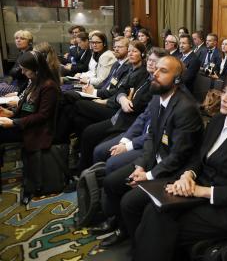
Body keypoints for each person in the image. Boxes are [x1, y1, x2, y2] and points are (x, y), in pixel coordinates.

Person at [128, 73, 227, 260]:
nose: (225, 99)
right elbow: (199, 156)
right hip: (198, 190)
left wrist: (202, 191)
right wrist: (188, 175)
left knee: (162, 224)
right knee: (153, 211)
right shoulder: (218, 120)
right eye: (224, 92)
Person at [90, 55, 203, 248]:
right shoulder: (157, 98)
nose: (154, 74)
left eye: (163, 71)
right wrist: (141, 165)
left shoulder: (186, 108)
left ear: (176, 80)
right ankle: (122, 228)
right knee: (111, 182)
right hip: (156, 161)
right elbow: (152, 138)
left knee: (128, 201)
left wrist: (149, 175)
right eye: (155, 69)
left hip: (175, 171)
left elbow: (179, 156)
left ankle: (139, 245)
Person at [74, 41, 151, 172]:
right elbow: (120, 89)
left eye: (134, 51)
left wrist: (101, 98)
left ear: (143, 54)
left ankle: (84, 170)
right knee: (80, 120)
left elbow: (133, 104)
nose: (131, 53)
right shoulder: (129, 68)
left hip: (121, 116)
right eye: (130, 51)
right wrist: (122, 98)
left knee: (77, 104)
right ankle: (78, 160)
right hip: (118, 112)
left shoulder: (143, 75)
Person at [0, 51, 60, 205]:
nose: (22, 72)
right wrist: (11, 113)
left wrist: (13, 122)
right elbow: (27, 106)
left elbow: (42, 117)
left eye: (26, 69)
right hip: (25, 123)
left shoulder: (49, 86)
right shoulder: (34, 81)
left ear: (37, 69)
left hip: (37, 130)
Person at [0, 30, 33, 96]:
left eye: (22, 38)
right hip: (17, 83)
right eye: (16, 38)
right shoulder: (21, 53)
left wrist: (17, 93)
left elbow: (17, 73)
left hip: (23, 87)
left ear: (29, 42)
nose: (18, 40)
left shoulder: (29, 55)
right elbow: (13, 72)